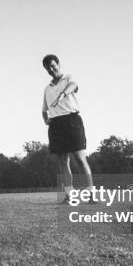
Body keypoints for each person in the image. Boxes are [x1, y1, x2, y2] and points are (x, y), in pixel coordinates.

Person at [41, 54, 93, 203]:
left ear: (58, 64)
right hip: (56, 124)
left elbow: (74, 86)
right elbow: (44, 110)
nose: (51, 69)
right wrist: (46, 120)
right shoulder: (47, 88)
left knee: (80, 158)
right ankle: (70, 196)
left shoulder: (68, 78)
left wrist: (63, 93)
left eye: (52, 65)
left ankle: (91, 194)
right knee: (63, 161)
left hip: (72, 120)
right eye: (47, 68)